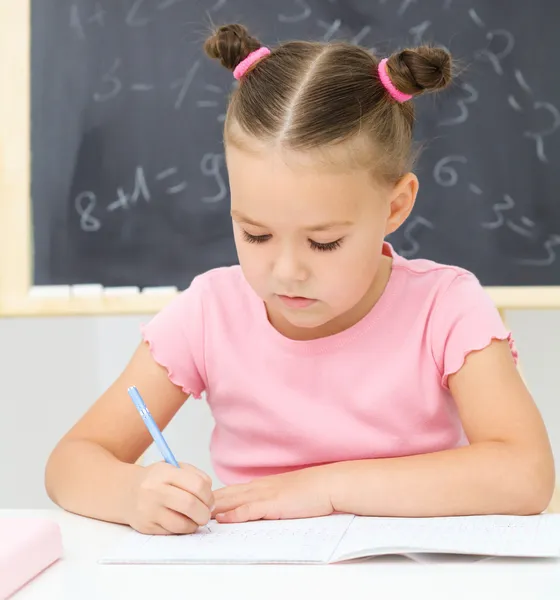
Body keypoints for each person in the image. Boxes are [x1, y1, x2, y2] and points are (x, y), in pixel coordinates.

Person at [45, 24, 555, 535]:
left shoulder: (446, 307)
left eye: (324, 242)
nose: (286, 271)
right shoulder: (208, 313)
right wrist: (132, 492)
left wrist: (323, 489)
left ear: (396, 205)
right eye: (256, 234)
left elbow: (526, 475)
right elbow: (71, 463)